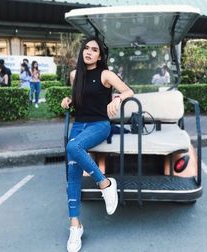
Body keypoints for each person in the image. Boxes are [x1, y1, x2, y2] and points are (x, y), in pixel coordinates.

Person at [60, 37, 134, 252]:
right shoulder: (75, 75)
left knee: (72, 148)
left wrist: (118, 99)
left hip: (100, 125)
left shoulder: (106, 74)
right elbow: (81, 97)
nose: (89, 52)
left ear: (100, 56)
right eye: (86, 48)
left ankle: (104, 184)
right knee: (72, 174)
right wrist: (69, 100)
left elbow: (129, 91)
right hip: (79, 125)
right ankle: (75, 226)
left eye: (94, 50)